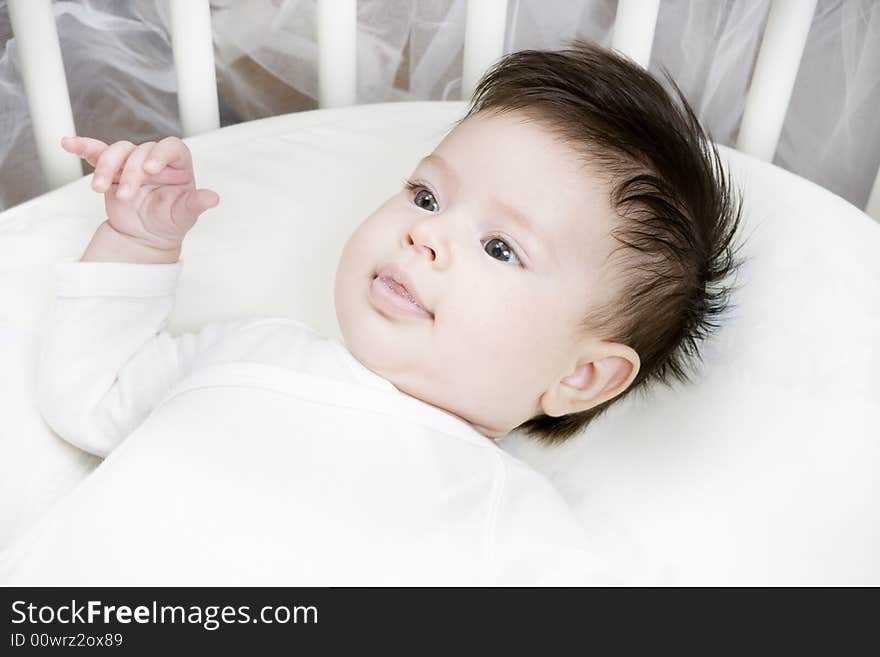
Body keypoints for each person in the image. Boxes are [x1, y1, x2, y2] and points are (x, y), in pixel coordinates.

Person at [1, 40, 742, 585]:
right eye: (427, 196)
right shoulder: (251, 350)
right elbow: (88, 394)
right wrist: (136, 239)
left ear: (581, 375)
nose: (427, 233)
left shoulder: (505, 516)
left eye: (499, 247)